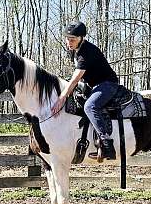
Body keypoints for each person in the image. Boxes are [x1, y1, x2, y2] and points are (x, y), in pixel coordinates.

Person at [51, 21, 118, 160]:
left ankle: (107, 145)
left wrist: (61, 98)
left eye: (72, 40)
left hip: (107, 84)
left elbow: (75, 79)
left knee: (90, 106)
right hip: (93, 85)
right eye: (67, 39)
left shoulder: (86, 51)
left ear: (81, 38)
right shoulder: (74, 50)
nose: (69, 42)